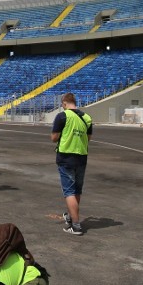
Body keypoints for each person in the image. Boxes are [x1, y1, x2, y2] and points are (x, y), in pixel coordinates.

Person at [52, 92, 93, 236]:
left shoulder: (62, 116)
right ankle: (70, 216)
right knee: (77, 190)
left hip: (66, 156)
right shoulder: (87, 118)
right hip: (81, 157)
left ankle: (75, 225)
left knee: (69, 191)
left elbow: (54, 137)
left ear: (64, 103)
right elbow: (88, 138)